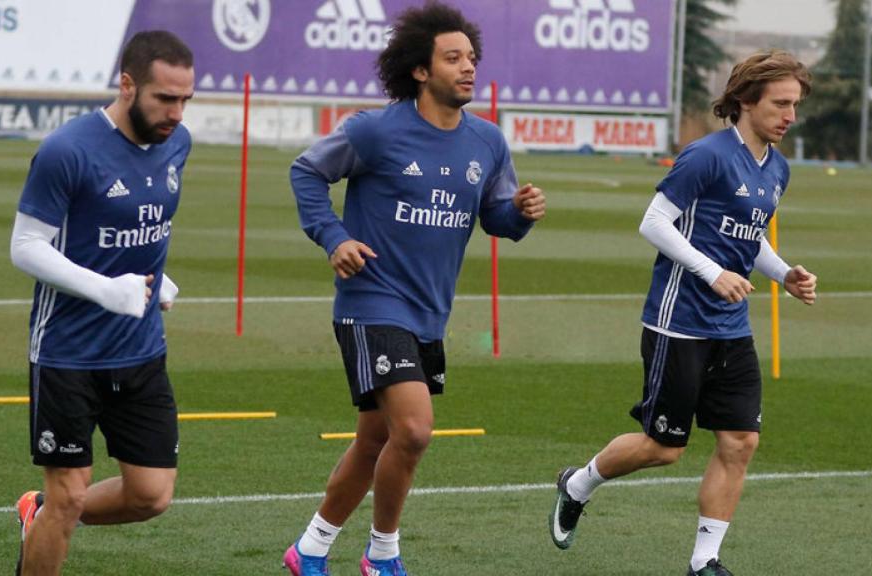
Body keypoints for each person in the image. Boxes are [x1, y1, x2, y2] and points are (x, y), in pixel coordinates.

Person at [284, 2, 546, 575]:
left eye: (472, 57)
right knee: (415, 429)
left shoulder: (488, 142)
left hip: (429, 314)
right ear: (420, 70)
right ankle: (382, 556)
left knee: (374, 442)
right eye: (453, 58)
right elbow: (307, 170)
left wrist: (521, 212)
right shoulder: (375, 130)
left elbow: (497, 220)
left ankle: (308, 550)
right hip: (371, 302)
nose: (468, 67)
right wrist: (334, 238)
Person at [549, 50, 817, 576]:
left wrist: (783, 273)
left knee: (741, 441)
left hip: (731, 327)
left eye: (795, 105)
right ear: (745, 100)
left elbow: (748, 235)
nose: (790, 116)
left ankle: (704, 562)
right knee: (663, 447)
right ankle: (576, 483)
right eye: (780, 103)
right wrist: (710, 271)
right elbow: (654, 222)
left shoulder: (777, 169)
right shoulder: (706, 155)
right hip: (679, 321)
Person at [8, 30, 194, 576]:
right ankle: (51, 514)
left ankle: (38, 515)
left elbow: (141, 226)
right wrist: (104, 288)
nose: (177, 113)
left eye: (185, 99)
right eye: (165, 98)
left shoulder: (177, 143)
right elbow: (25, 246)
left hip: (140, 351)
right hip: (67, 353)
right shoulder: (68, 150)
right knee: (69, 495)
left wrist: (158, 280)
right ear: (128, 84)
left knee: (150, 495)